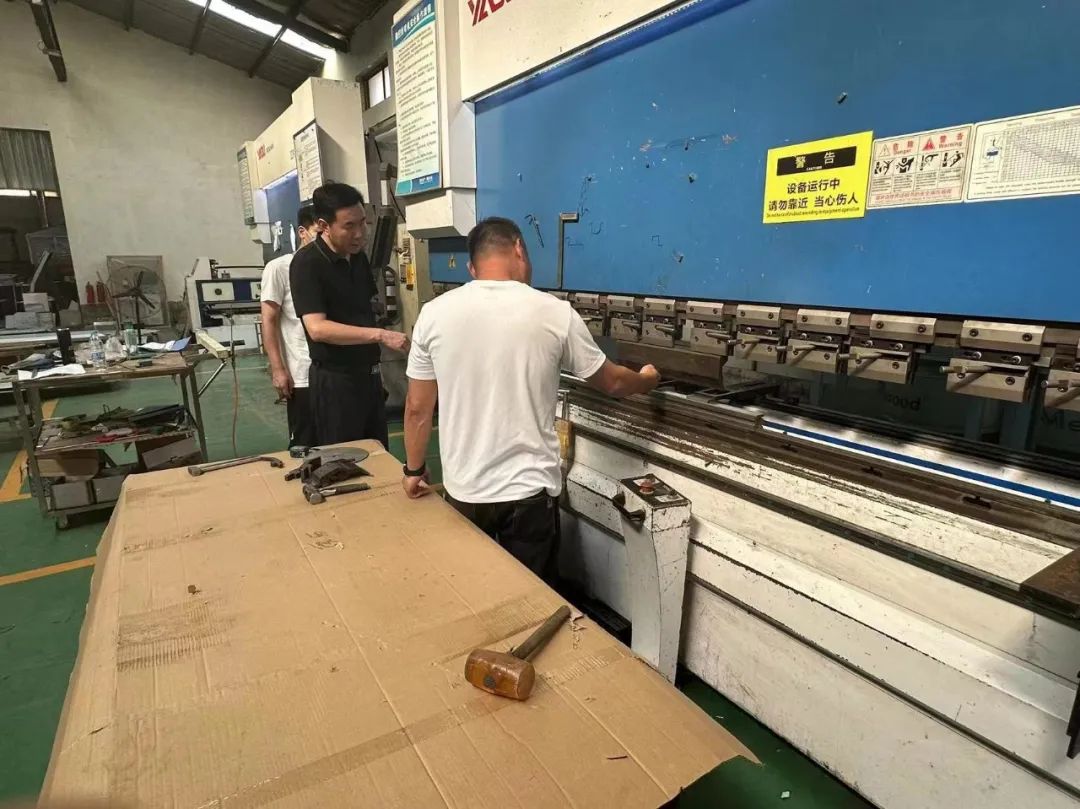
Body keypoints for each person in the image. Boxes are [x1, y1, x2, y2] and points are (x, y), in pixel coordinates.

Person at [401, 216, 660, 582]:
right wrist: (647, 379)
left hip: (465, 491)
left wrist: (414, 471)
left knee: (474, 592)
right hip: (528, 494)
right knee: (533, 598)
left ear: (473, 268)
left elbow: (417, 408)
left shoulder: (434, 313)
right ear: (519, 248)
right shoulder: (554, 312)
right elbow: (614, 383)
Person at [290, 182, 409, 448]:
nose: (359, 234)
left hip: (368, 378)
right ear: (324, 225)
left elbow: (364, 307)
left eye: (362, 223)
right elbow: (317, 328)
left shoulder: (357, 258)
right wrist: (380, 335)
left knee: (377, 452)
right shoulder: (308, 264)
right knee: (344, 457)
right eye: (349, 226)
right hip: (336, 383)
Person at [260, 204, 319, 448]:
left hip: (333, 375)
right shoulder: (280, 268)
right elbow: (268, 320)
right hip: (302, 373)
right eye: (318, 233)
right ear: (302, 232)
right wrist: (278, 369)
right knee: (305, 445)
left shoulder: (331, 268)